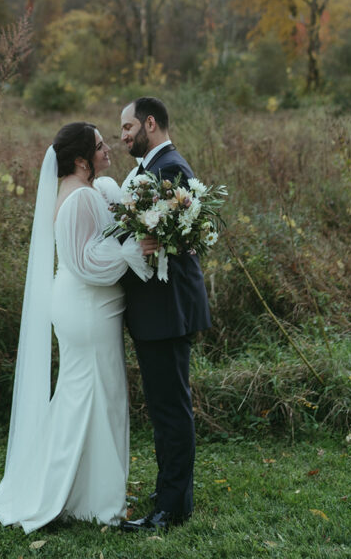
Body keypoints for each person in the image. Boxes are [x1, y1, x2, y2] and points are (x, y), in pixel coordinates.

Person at [0, 122, 156, 533]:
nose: (107, 149)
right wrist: (135, 249)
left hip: (92, 308)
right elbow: (87, 263)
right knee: (94, 397)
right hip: (87, 308)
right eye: (98, 146)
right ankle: (87, 498)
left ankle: (89, 494)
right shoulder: (76, 200)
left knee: (94, 398)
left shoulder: (86, 193)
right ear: (80, 160)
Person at [118, 96, 212, 533]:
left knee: (171, 409)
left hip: (168, 310)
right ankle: (170, 491)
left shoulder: (169, 168)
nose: (123, 136)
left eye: (127, 127)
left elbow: (180, 236)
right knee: (163, 407)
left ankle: (172, 508)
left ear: (149, 124)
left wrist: (152, 240)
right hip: (157, 309)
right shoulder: (153, 169)